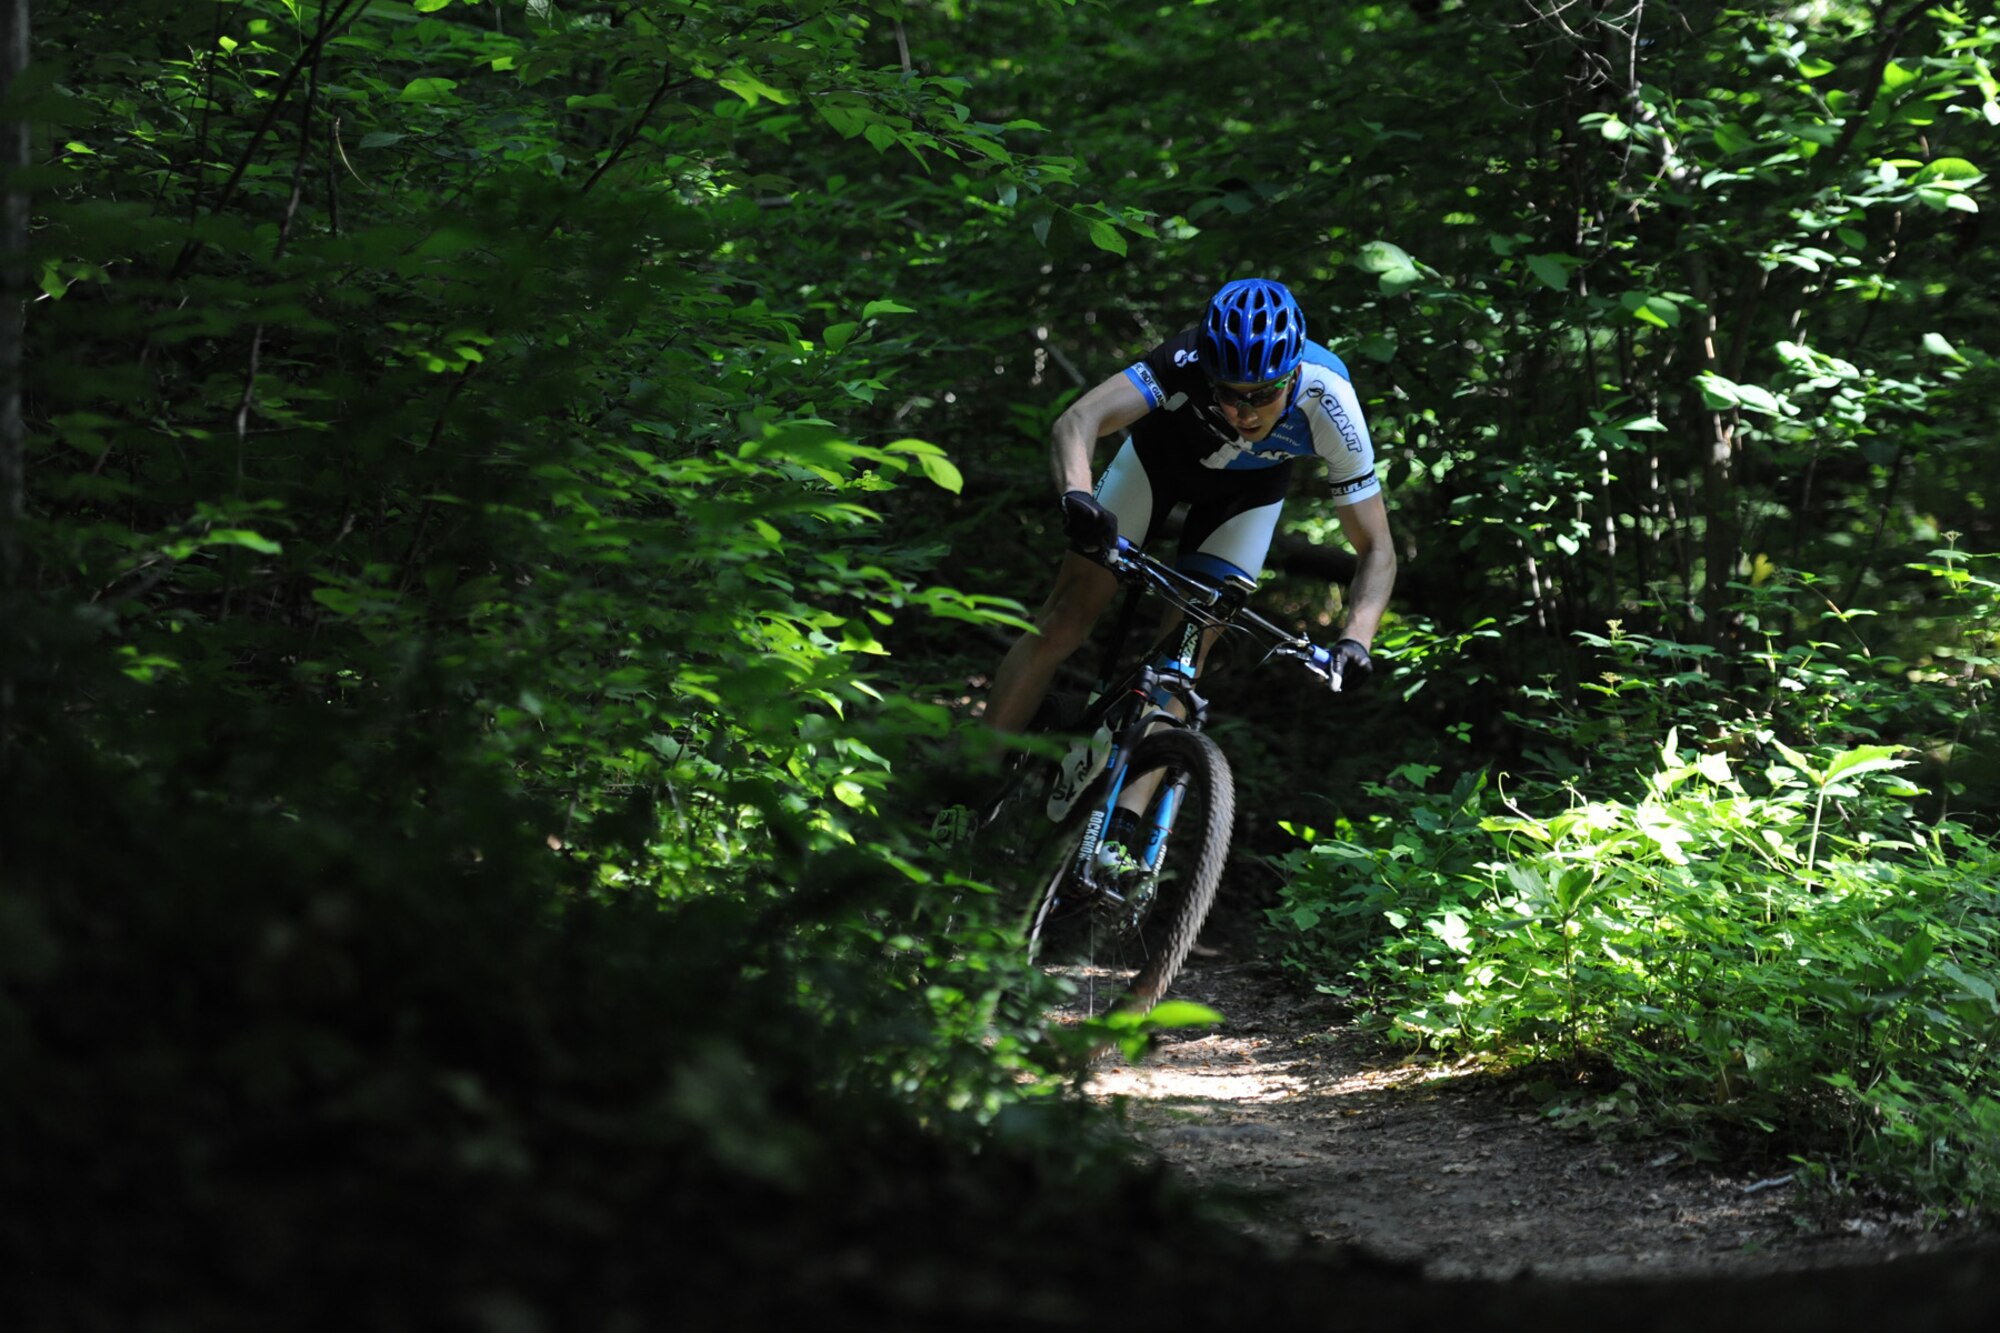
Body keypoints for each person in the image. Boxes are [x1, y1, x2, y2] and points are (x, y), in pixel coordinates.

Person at [953, 279, 1397, 859]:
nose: (1243, 411)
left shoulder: (1330, 399)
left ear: (1292, 376)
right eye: (1229, 393)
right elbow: (1078, 420)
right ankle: (969, 789)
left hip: (1244, 499)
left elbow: (1377, 548)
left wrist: (1356, 638)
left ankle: (1115, 841)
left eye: (1262, 395)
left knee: (1183, 665)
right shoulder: (1185, 360)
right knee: (1065, 620)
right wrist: (1078, 498)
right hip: (1155, 466)